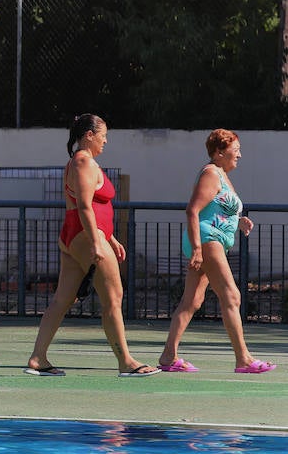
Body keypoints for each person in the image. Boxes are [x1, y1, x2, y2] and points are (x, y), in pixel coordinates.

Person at [27, 114, 157, 377]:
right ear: (89, 134)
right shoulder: (84, 161)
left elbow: (93, 207)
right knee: (114, 297)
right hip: (85, 236)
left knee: (62, 299)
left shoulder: (81, 161)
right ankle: (126, 362)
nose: (106, 141)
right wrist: (97, 242)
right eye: (103, 135)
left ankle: (38, 357)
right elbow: (85, 206)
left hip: (78, 236)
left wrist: (110, 238)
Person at [158, 130, 272, 374]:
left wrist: (239, 221)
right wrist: (197, 249)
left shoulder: (221, 174)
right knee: (231, 296)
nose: (240, 155)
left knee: (192, 301)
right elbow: (193, 210)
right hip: (207, 241)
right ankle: (244, 359)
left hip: (212, 240)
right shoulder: (211, 173)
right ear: (219, 152)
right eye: (236, 150)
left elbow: (218, 207)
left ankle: (168, 356)